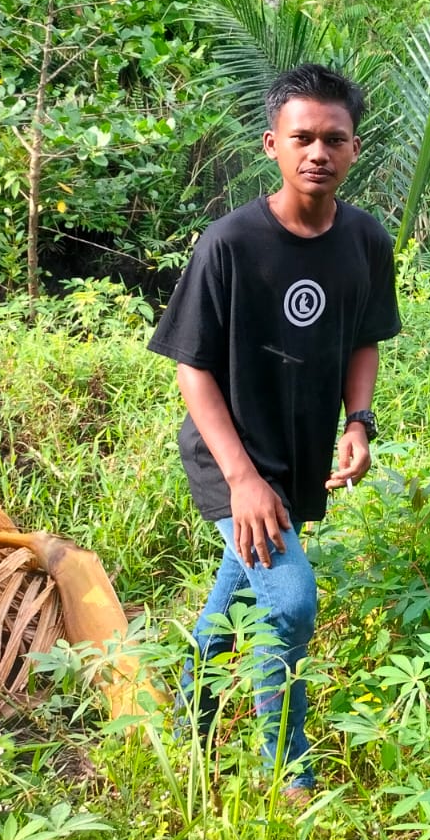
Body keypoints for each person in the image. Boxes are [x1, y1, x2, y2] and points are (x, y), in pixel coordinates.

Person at [148, 64, 401, 798]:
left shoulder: (365, 242)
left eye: (334, 138)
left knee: (237, 593)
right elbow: (192, 369)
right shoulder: (228, 244)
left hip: (298, 454)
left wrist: (359, 421)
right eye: (302, 138)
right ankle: (285, 768)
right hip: (229, 458)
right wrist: (242, 481)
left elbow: (363, 339)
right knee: (288, 601)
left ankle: (189, 717)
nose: (317, 151)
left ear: (355, 150)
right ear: (272, 144)